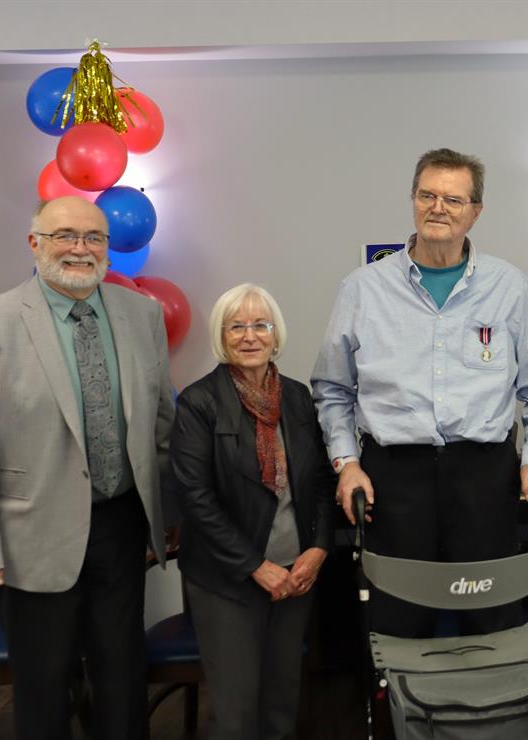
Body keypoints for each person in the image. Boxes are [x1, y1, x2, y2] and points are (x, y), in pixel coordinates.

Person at [0, 196, 174, 740]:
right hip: (29, 536)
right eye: (65, 234)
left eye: (93, 238)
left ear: (108, 249)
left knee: (122, 677)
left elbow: (162, 422)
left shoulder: (142, 314)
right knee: (44, 688)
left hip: (120, 527)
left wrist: (168, 512)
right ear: (34, 242)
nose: (80, 248)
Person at [311, 148, 528, 638]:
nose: (438, 208)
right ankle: (405, 714)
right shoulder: (363, 289)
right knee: (397, 616)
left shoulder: (510, 287)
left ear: (475, 211)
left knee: (491, 615)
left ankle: (488, 712)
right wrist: (348, 464)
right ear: (412, 200)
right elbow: (332, 388)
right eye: (427, 195)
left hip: (484, 475)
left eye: (453, 198)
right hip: (393, 479)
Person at [170, 283, 335, 740]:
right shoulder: (199, 402)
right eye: (235, 326)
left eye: (259, 325)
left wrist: (318, 549)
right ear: (221, 337)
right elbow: (195, 498)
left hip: (295, 574)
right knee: (235, 712)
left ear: (275, 334)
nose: (249, 336)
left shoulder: (299, 399)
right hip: (227, 580)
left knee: (282, 701)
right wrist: (254, 566)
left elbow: (323, 479)